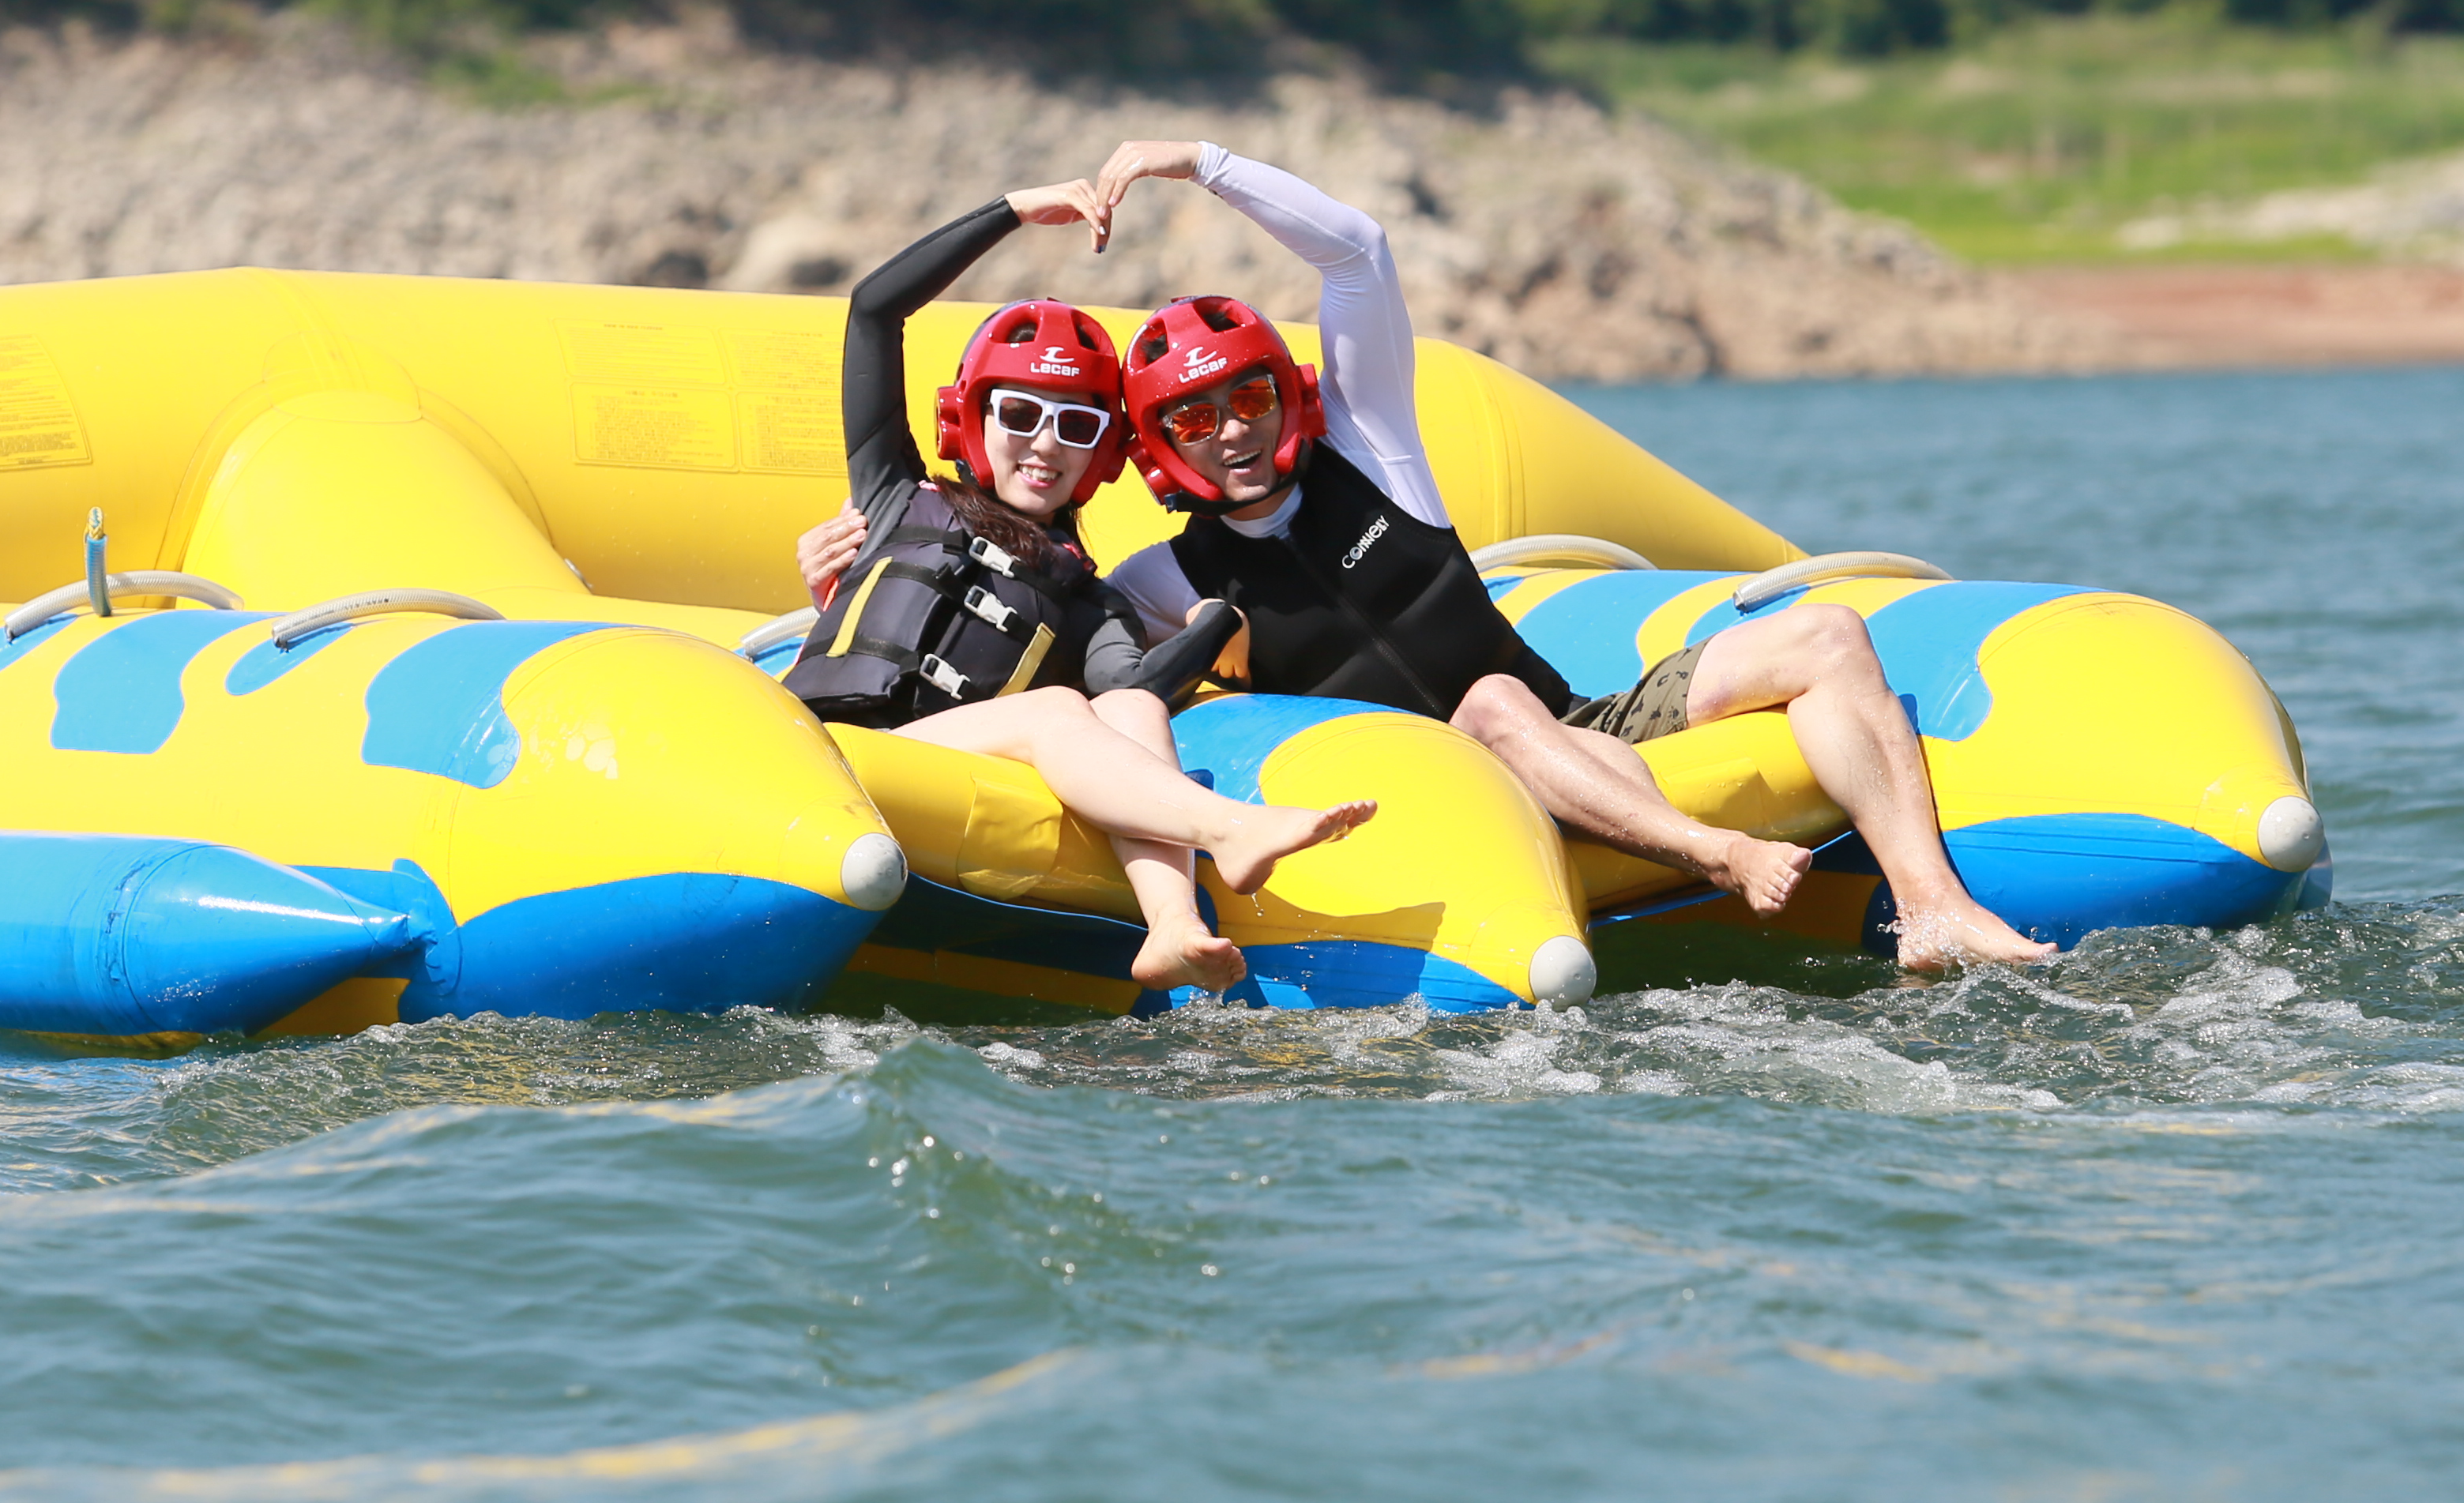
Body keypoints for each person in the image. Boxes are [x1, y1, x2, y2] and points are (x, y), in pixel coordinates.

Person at [1078, 137, 2052, 972]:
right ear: (1158, 445)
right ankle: (1718, 855)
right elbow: (1089, 670)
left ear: (1290, 396)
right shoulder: (1166, 581)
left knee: (1830, 635)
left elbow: (1359, 255)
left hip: (1578, 727)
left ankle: (1931, 909)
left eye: (1248, 399)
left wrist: (1201, 164)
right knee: (1491, 705)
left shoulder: (1372, 453)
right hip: (1429, 792)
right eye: (1193, 419)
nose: (1231, 433)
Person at [782, 182, 1367, 998]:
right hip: (814, 751)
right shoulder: (892, 496)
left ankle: (1174, 929)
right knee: (1059, 712)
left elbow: (1133, 694)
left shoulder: (1091, 602)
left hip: (935, 775)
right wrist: (1014, 213)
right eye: (1019, 413)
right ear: (971, 421)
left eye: (1076, 426)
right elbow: (874, 311)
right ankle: (1231, 832)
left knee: (1129, 712)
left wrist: (1214, 623)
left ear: (1102, 451)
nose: (1044, 445)